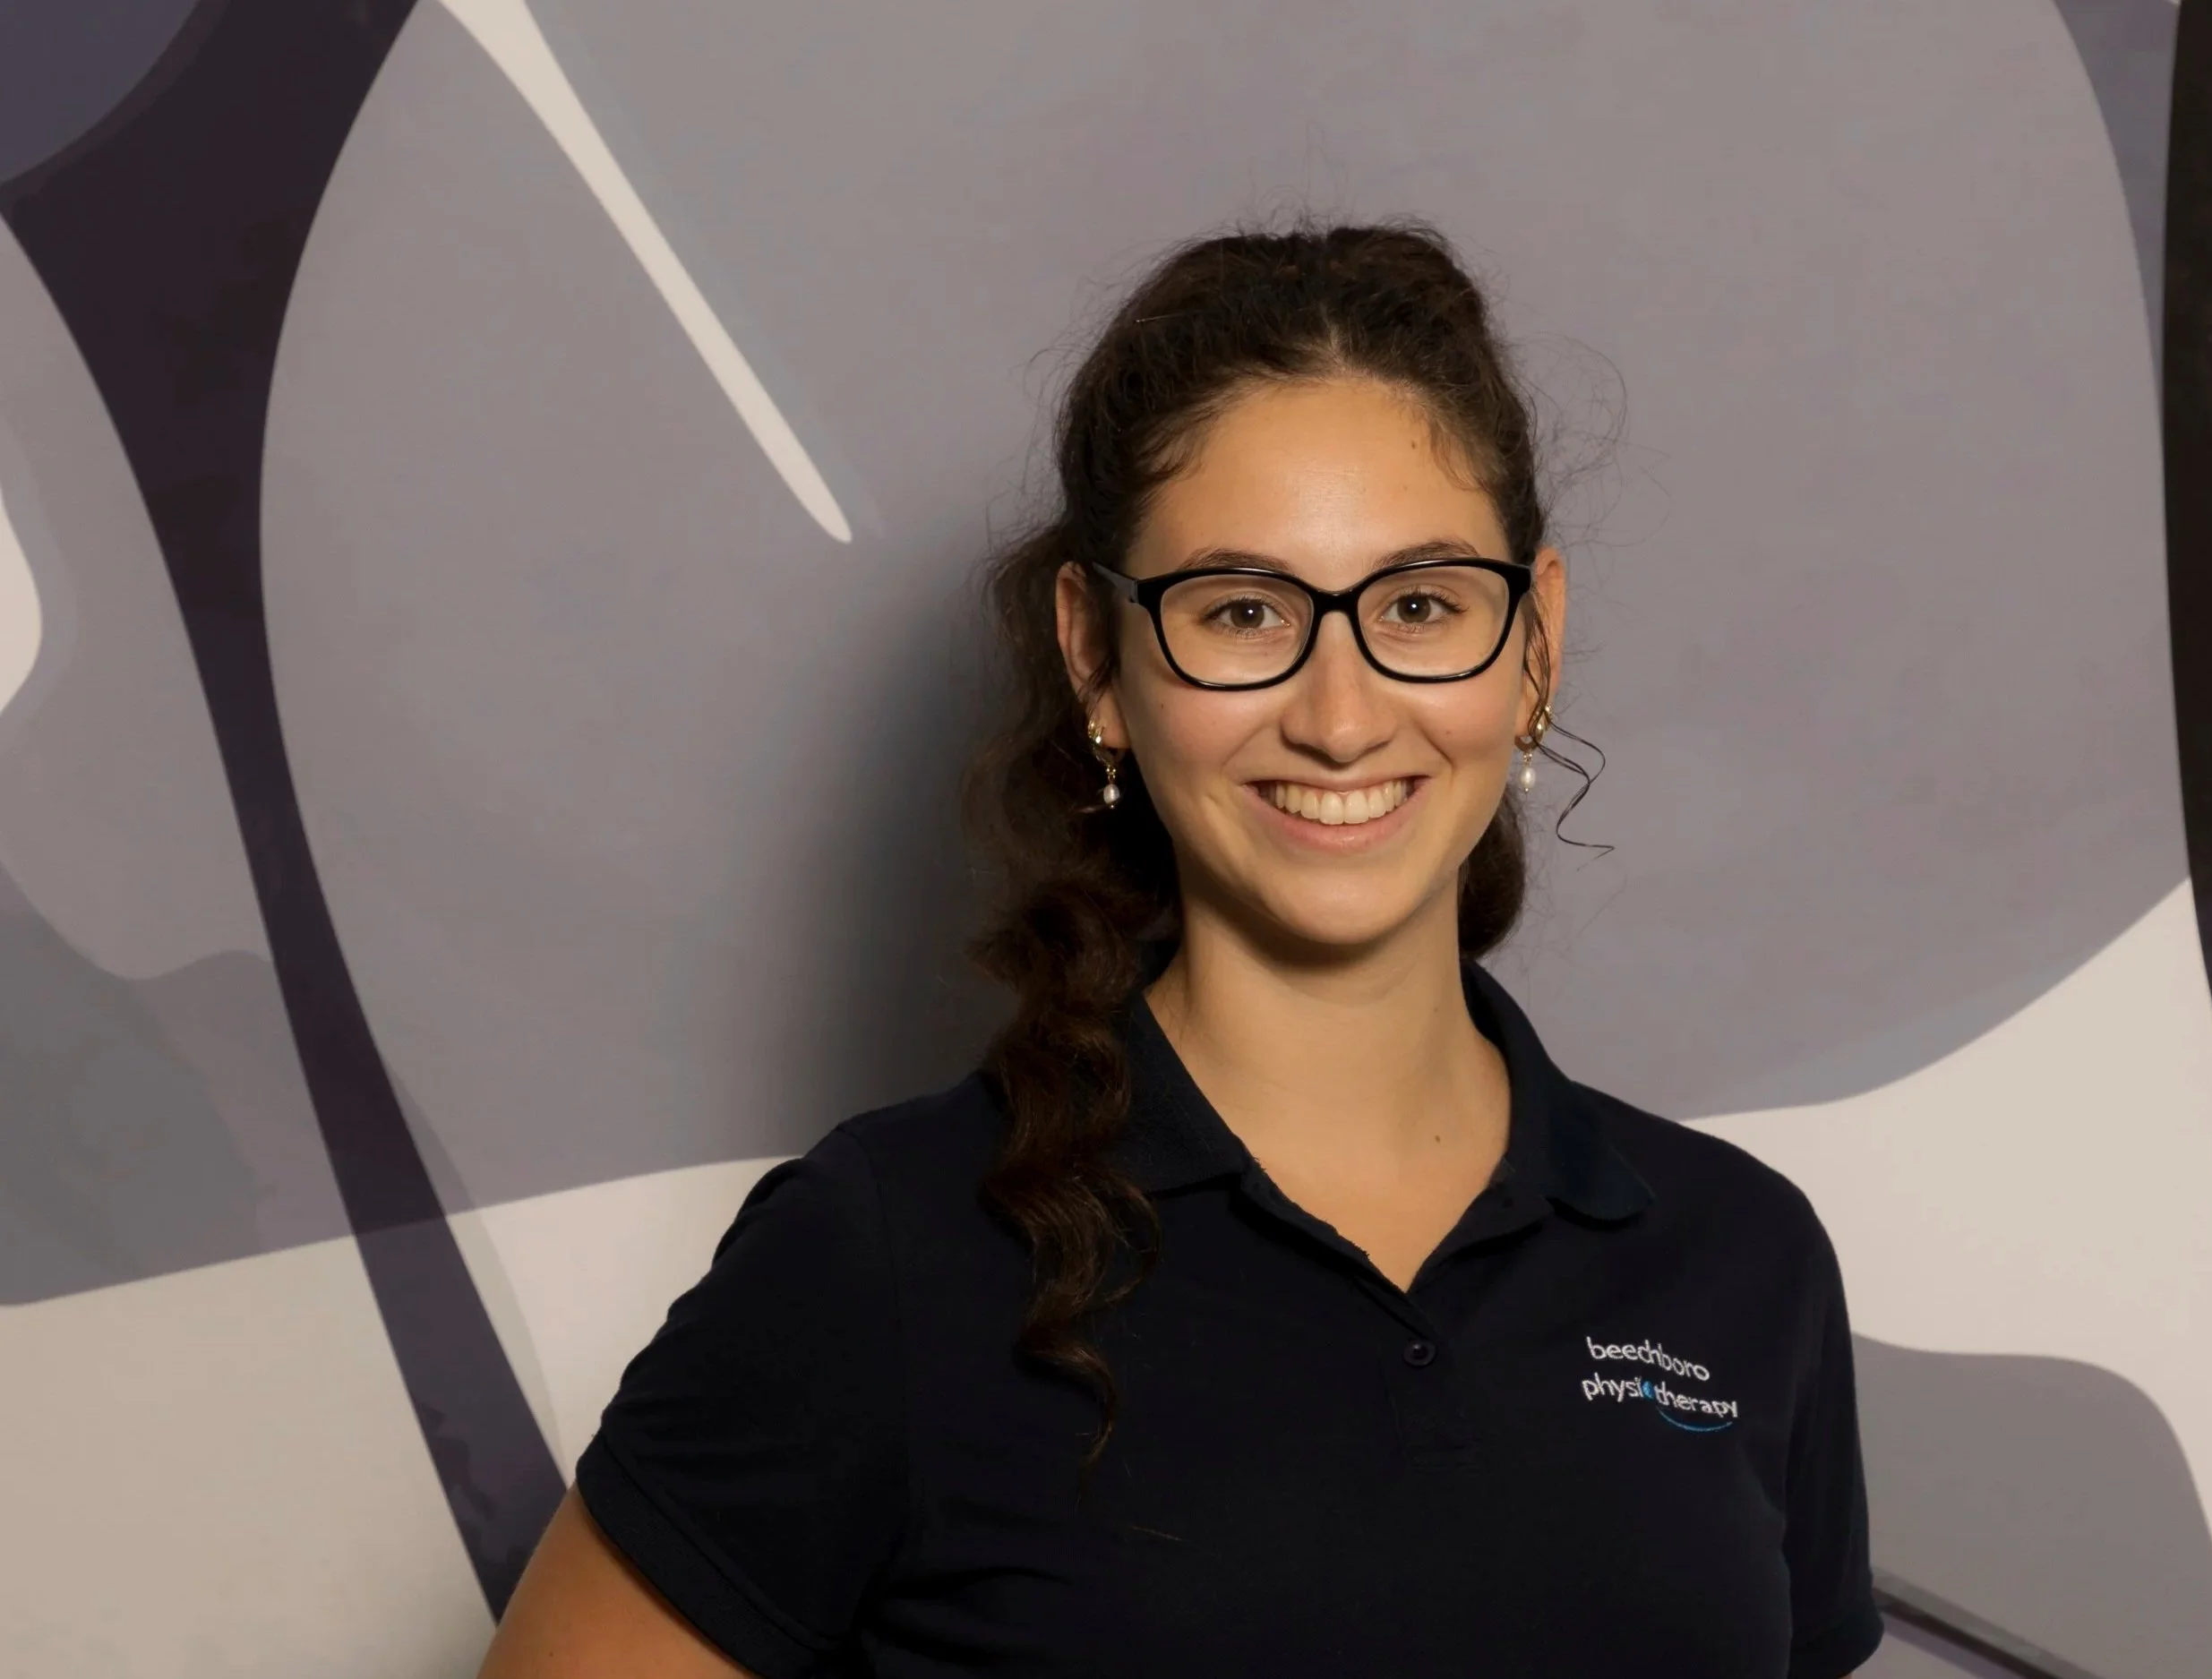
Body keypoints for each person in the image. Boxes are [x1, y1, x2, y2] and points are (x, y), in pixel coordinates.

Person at [479, 219, 1882, 1678]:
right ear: (1097, 658)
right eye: (1241, 610)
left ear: (1533, 643)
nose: (1341, 715)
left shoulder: (1737, 1259)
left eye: (1418, 605)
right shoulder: (886, 1255)